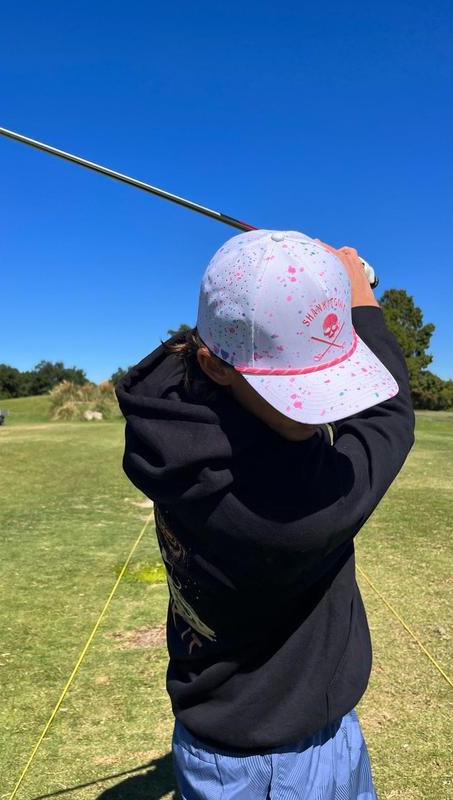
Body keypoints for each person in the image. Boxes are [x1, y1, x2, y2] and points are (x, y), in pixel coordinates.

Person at [115, 229, 415, 799]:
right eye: (297, 388)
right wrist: (360, 298)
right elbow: (388, 417)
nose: (323, 411)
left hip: (226, 740)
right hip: (282, 768)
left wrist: (278, 273)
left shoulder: (174, 418)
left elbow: (189, 348)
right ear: (217, 366)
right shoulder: (293, 504)